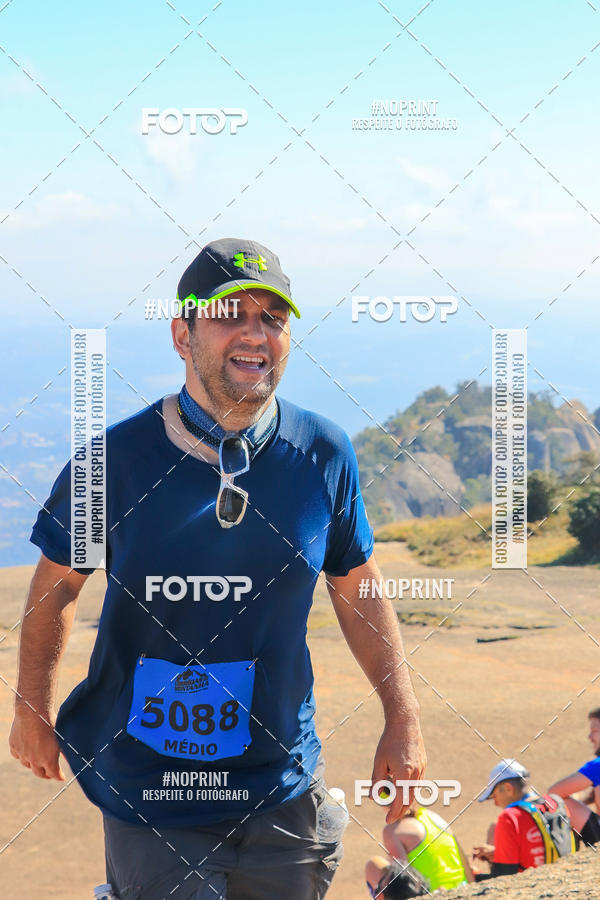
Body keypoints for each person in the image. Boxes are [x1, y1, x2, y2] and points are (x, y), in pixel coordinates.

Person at [9, 237, 426, 899]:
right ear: (183, 335)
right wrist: (31, 706)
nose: (255, 333)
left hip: (281, 782)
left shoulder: (323, 453)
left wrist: (402, 716)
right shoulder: (112, 462)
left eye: (273, 319)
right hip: (153, 787)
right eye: (231, 314)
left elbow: (357, 585)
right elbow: (57, 584)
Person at [473, 759, 574, 878]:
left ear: (508, 788)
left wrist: (473, 875)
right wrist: (498, 853)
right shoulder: (556, 802)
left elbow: (503, 878)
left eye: (494, 796)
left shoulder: (510, 817)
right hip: (567, 877)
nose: (496, 803)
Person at [365, 805, 472, 895]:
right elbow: (465, 864)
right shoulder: (434, 817)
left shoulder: (392, 830)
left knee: (373, 866)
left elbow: (402, 881)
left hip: (434, 893)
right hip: (463, 886)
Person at [548, 744, 600, 847]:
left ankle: (569, 844)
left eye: (595, 734)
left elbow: (553, 793)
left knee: (558, 801)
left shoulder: (597, 765)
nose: (590, 737)